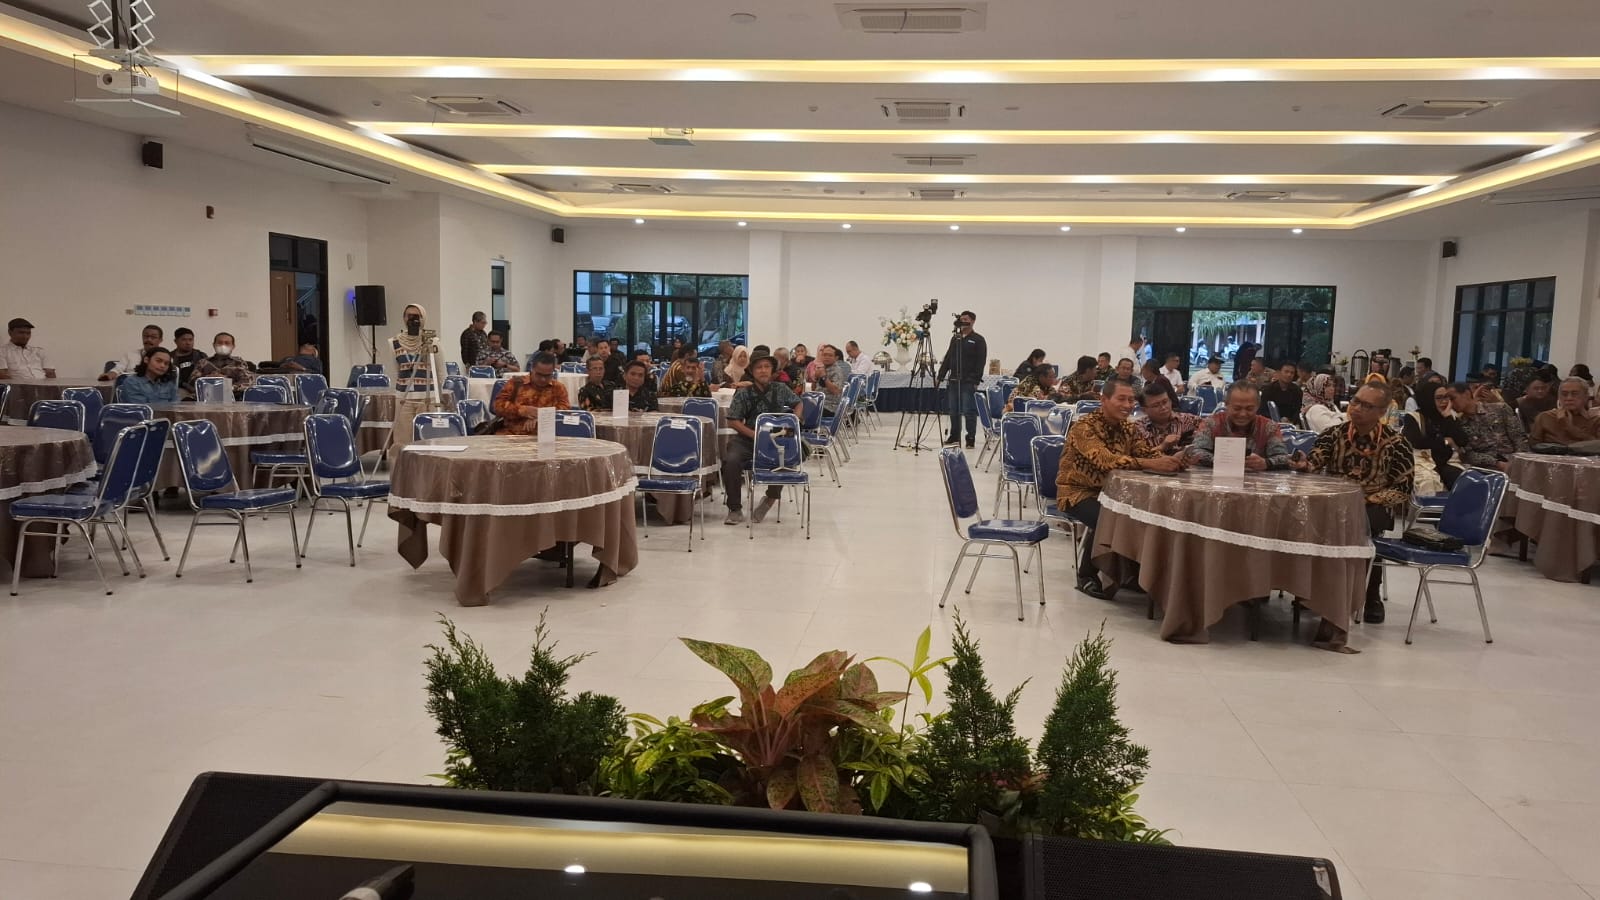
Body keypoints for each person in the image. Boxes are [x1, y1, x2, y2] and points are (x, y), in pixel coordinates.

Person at [1290, 382, 1414, 632]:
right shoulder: (1333, 434)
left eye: (1367, 406)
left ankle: (1370, 595)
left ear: (1382, 411)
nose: (1357, 408)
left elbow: (1403, 487)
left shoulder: (1397, 443)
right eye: (1356, 401)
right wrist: (1304, 465)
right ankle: (1313, 592)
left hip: (1373, 504)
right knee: (1304, 520)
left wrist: (1369, 500)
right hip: (1334, 502)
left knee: (1364, 527)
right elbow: (1315, 462)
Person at [1058, 379, 1186, 599]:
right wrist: (1151, 463)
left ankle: (1128, 574)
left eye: (1131, 400)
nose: (1128, 405)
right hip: (1077, 492)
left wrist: (1172, 460)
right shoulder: (1084, 427)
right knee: (1108, 516)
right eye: (1122, 399)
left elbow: (1145, 453)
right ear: (1104, 400)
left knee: (1143, 514)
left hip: (1115, 493)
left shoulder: (1128, 428)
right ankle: (1087, 575)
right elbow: (1105, 460)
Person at [722, 355, 802, 525]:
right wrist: (755, 435)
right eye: (759, 367)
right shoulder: (743, 393)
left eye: (767, 366)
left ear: (772, 371)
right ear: (752, 372)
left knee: (787, 458)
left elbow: (798, 403)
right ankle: (734, 508)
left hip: (776, 437)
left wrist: (793, 421)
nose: (763, 370)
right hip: (748, 437)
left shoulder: (781, 388)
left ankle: (769, 500)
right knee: (731, 460)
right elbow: (733, 421)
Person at [1187, 382, 1291, 470]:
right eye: (1237, 408)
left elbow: (1283, 457)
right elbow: (1196, 451)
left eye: (1249, 409)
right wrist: (1223, 461)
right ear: (1226, 405)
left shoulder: (1269, 427)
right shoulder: (1211, 423)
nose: (1243, 414)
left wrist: (1266, 463)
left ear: (1258, 406)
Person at [1401, 381, 1470, 492]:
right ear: (1428, 399)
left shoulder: (1449, 416)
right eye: (1439, 398)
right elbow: (1416, 442)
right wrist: (1446, 442)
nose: (1444, 401)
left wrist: (1448, 417)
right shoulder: (1414, 417)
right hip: (1423, 461)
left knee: (1463, 480)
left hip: (1447, 461)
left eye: (1446, 397)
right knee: (1427, 482)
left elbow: (1462, 440)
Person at [389, 305, 440, 450]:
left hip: (427, 396)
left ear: (423, 318)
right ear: (404, 318)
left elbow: (440, 372)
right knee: (401, 440)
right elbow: (395, 371)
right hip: (403, 397)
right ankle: (401, 464)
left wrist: (438, 396)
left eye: (416, 316)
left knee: (427, 439)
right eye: (409, 315)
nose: (412, 319)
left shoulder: (432, 341)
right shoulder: (393, 342)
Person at [1446, 380, 1527, 470]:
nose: (1450, 404)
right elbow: (1468, 454)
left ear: (1467, 394)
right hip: (1487, 467)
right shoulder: (1459, 425)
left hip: (1514, 459)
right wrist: (1497, 463)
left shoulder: (1500, 409)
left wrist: (1518, 461)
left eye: (1452, 398)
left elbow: (1518, 438)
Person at [936, 310, 987, 448]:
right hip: (953, 380)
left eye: (966, 319)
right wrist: (940, 375)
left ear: (972, 321)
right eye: (961, 319)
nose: (963, 321)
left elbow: (981, 361)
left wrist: (976, 380)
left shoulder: (978, 340)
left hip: (968, 381)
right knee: (953, 410)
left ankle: (970, 437)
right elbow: (948, 358)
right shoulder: (955, 338)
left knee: (968, 410)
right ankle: (954, 435)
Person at [492, 352, 570, 435]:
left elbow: (564, 411)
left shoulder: (558, 388)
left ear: (553, 372)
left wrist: (542, 416)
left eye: (547, 375)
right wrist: (523, 410)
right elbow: (498, 406)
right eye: (539, 374)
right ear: (532, 369)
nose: (543, 379)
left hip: (545, 435)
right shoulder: (516, 383)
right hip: (512, 434)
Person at [1135, 381, 1202, 455]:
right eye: (1156, 405)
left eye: (1165, 402)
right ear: (1144, 410)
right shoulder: (1137, 428)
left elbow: (1209, 424)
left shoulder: (1186, 420)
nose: (1163, 407)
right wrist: (1163, 446)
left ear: (1170, 401)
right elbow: (1137, 457)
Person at [1530, 378, 1600, 445]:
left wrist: (1571, 429)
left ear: (1586, 396)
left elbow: (1597, 447)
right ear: (1559, 397)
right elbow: (1532, 446)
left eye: (1574, 394)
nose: (1569, 398)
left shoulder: (1595, 421)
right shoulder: (1545, 417)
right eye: (1564, 394)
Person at [195, 332, 258, 396]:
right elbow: (193, 381)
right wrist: (209, 378)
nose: (223, 345)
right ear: (214, 345)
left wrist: (228, 385)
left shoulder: (239, 363)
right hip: (207, 396)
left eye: (227, 343)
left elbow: (247, 382)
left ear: (233, 346)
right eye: (220, 343)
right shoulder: (203, 362)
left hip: (233, 397)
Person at [814, 344, 852, 414]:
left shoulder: (837, 371)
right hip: (819, 403)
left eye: (830, 355)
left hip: (830, 407)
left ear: (836, 358)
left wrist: (824, 377)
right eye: (824, 355)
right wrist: (815, 378)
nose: (827, 357)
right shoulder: (823, 369)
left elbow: (836, 391)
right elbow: (815, 389)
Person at [168, 327, 204, 394]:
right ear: (176, 341)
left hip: (200, 389)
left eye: (190, 340)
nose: (188, 343)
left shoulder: (201, 355)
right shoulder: (169, 357)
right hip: (178, 389)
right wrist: (186, 385)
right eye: (184, 340)